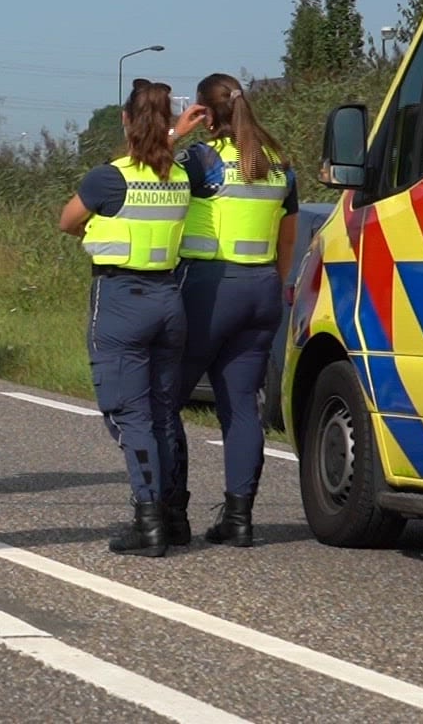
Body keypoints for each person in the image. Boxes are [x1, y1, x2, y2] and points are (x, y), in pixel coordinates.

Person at [162, 73, 298, 548]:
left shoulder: (202, 159)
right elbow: (287, 235)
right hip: (262, 288)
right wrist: (274, 284)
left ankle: (168, 507)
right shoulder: (279, 164)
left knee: (164, 399)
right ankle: (239, 517)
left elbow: (142, 172)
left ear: (205, 111)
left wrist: (176, 132)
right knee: (241, 407)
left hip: (210, 286)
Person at [57, 78, 189, 558]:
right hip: (168, 300)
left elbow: (67, 221)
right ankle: (175, 515)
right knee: (162, 411)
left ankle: (147, 519)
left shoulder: (107, 178)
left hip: (120, 299)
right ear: (169, 122)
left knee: (129, 415)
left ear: (126, 120)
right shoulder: (179, 177)